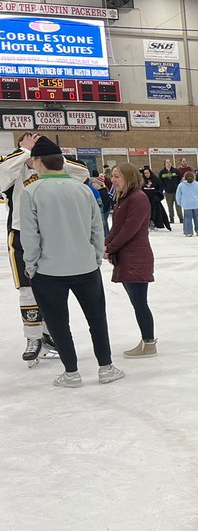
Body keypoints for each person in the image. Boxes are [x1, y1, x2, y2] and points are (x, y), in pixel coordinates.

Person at [20, 144, 123, 387]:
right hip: (85, 267)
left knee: (58, 323)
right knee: (97, 318)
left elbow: (30, 235)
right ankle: (106, 367)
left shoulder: (31, 191)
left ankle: (71, 373)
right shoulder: (82, 190)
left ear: (38, 162)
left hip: (49, 271)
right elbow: (97, 227)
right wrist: (95, 257)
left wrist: (31, 265)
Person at [1, 133, 90, 366]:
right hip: (21, 235)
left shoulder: (55, 166)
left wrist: (49, 156)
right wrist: (24, 153)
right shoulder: (15, 167)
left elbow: (83, 173)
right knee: (27, 289)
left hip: (52, 235)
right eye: (31, 142)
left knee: (50, 289)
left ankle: (49, 334)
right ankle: (32, 338)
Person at [104, 163, 157, 359]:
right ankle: (147, 340)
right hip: (127, 257)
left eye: (117, 176)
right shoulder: (124, 199)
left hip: (136, 258)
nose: (113, 180)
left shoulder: (138, 199)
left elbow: (129, 229)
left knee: (140, 303)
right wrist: (106, 243)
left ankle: (149, 343)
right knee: (138, 303)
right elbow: (117, 227)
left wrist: (110, 248)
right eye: (113, 176)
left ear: (129, 177)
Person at [176, 171, 198, 237]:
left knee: (187, 218)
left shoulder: (181, 185)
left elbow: (178, 195)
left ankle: (188, 232)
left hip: (186, 204)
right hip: (196, 204)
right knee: (197, 217)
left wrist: (179, 202)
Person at [159, 157, 182, 224]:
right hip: (168, 192)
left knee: (178, 205)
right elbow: (161, 181)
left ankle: (181, 218)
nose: (168, 163)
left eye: (169, 162)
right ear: (164, 164)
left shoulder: (175, 171)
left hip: (176, 191)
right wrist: (165, 188)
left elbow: (179, 179)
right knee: (170, 206)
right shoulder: (162, 172)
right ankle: (171, 218)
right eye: (167, 162)